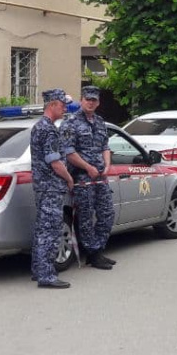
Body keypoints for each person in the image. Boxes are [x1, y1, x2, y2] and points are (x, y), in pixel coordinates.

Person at [60, 85, 116, 270]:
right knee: (85, 218)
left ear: (98, 102)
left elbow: (105, 146)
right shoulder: (70, 122)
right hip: (82, 178)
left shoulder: (99, 122)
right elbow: (69, 152)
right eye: (87, 99)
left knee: (107, 213)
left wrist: (107, 165)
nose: (90, 103)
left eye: (94, 100)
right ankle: (93, 253)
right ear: (81, 100)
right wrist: (88, 167)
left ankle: (98, 249)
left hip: (100, 177)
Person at [30, 89, 76, 289]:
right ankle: (46, 275)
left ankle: (38, 270)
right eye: (63, 105)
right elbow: (55, 162)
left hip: (43, 187)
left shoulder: (38, 127)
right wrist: (69, 178)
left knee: (42, 229)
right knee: (50, 230)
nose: (65, 109)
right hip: (50, 187)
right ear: (53, 105)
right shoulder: (48, 129)